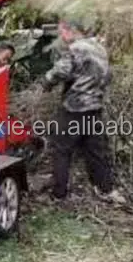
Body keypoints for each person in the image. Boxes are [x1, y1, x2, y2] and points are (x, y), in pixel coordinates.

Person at [42, 19, 125, 203]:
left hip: (74, 108)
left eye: (62, 32)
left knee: (61, 150)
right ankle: (106, 189)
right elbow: (107, 75)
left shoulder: (75, 48)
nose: (61, 37)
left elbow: (61, 72)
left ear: (70, 31)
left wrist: (47, 81)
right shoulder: (99, 48)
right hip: (95, 107)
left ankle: (59, 194)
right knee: (96, 150)